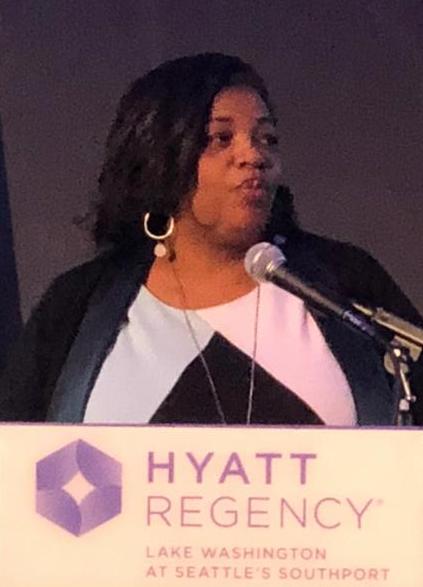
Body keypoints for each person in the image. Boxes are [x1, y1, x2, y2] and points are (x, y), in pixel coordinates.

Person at [0, 53, 422, 425]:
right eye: (221, 138)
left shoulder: (342, 284)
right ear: (161, 155)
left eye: (267, 139)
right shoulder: (78, 306)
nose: (253, 156)